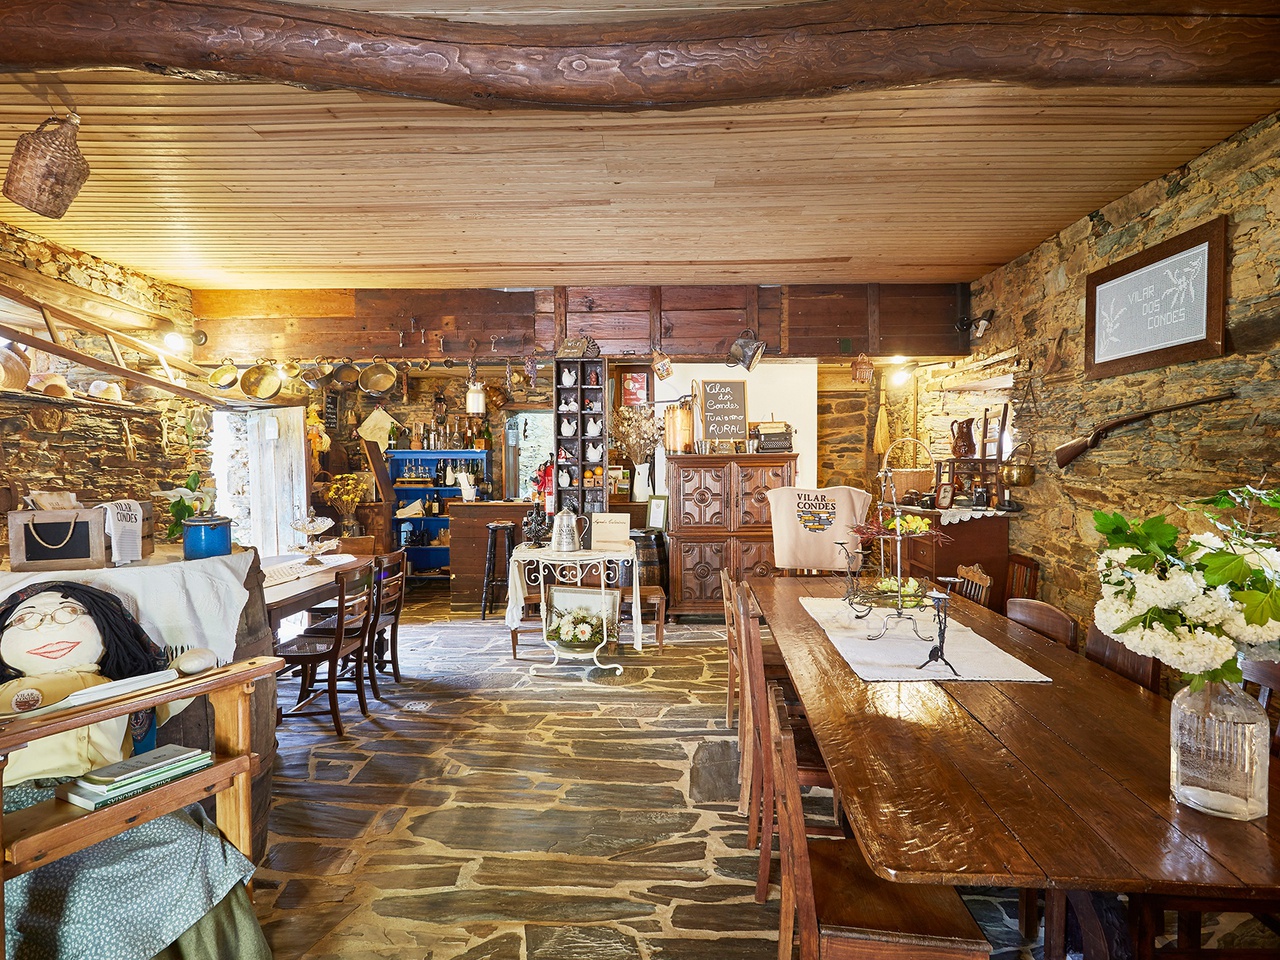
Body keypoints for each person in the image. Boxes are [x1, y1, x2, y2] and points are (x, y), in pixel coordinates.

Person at [0, 582, 270, 960]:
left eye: (68, 613)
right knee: (63, 885)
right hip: (18, 799)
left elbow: (164, 701)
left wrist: (181, 673)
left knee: (189, 842)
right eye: (26, 620)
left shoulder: (119, 689)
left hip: (106, 792)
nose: (47, 626)